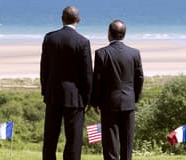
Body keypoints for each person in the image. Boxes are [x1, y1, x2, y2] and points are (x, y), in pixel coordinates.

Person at [40, 6, 93, 160]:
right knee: (74, 139)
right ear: (78, 20)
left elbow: (44, 68)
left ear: (62, 18)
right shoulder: (83, 42)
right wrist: (88, 98)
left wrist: (45, 90)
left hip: (53, 94)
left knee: (50, 137)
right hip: (75, 97)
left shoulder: (49, 38)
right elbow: (87, 73)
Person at [91, 20, 144, 160]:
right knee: (127, 144)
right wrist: (135, 98)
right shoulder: (134, 53)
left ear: (109, 34)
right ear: (124, 34)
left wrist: (95, 101)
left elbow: (97, 80)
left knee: (110, 144)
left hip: (109, 104)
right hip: (128, 102)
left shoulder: (101, 53)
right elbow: (140, 78)